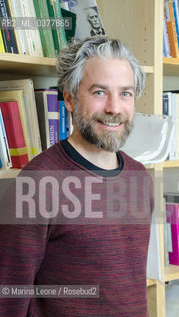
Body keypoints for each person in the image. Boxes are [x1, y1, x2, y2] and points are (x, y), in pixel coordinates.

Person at [0, 37, 154, 316]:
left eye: (126, 94)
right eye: (99, 92)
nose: (114, 108)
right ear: (70, 99)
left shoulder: (140, 178)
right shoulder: (36, 185)